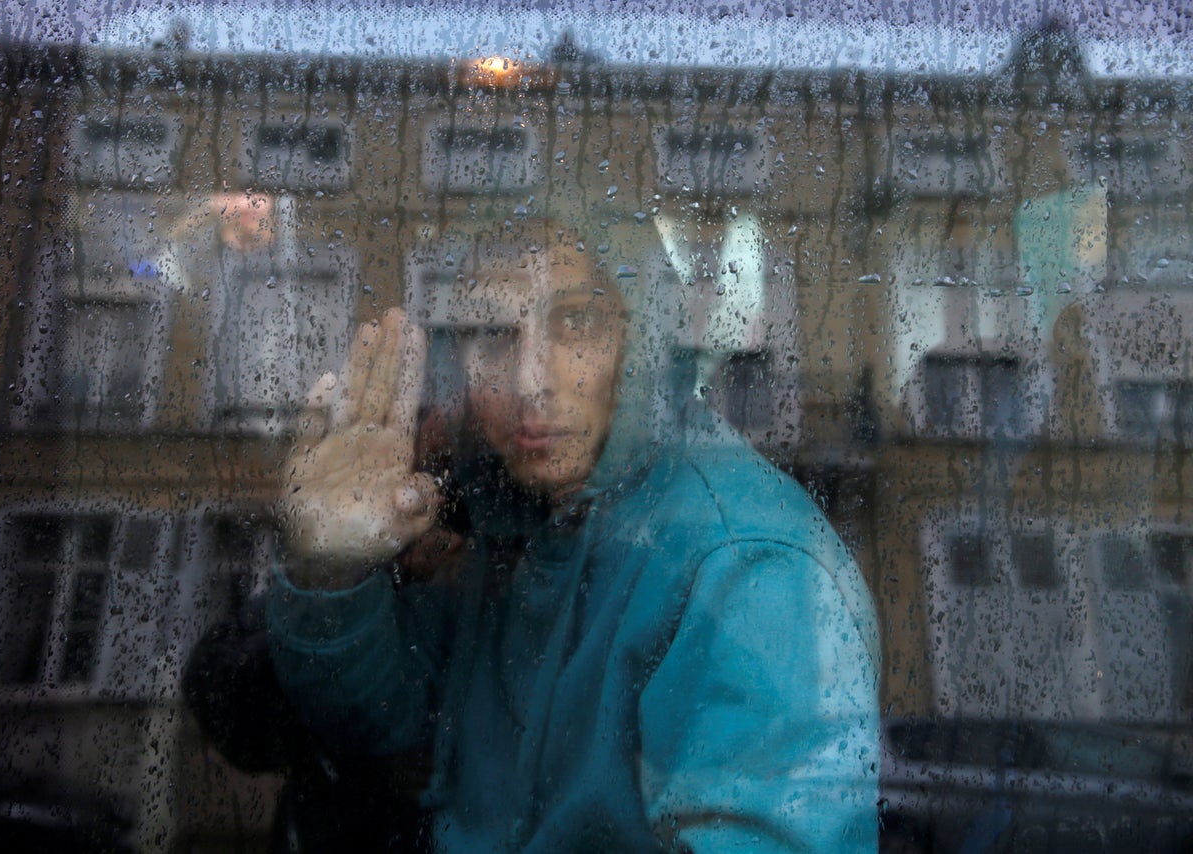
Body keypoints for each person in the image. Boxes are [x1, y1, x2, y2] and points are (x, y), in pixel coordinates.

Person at [267, 217, 881, 851]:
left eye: (578, 325)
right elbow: (377, 722)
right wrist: (330, 571)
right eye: (494, 335)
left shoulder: (742, 561)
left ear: (640, 337)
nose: (532, 381)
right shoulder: (513, 526)